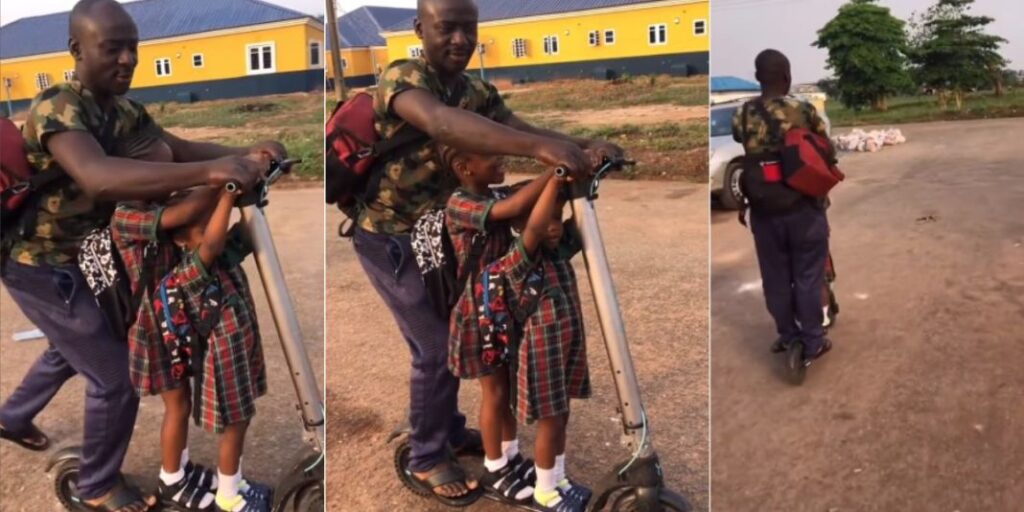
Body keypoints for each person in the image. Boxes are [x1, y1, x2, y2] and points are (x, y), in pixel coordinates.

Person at [0, 1, 283, 510]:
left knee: (76, 344)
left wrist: (247, 153)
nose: (128, 59)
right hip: (41, 264)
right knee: (113, 378)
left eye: (133, 48)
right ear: (76, 50)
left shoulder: (125, 109)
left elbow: (177, 148)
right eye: (113, 49)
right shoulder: (58, 106)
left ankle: (11, 417)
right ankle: (96, 486)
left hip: (89, 257)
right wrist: (213, 173)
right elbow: (99, 177)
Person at [351, 0, 621, 503]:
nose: (458, 40)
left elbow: (520, 127)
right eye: (445, 28)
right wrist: (542, 155)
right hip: (393, 237)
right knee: (434, 349)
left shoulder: (474, 88)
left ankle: (450, 430)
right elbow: (443, 124)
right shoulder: (404, 78)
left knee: (454, 336)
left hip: (446, 234)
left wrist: (581, 144)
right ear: (419, 29)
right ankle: (427, 455)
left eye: (467, 30)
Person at [439, 144, 558, 505]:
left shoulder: (493, 190)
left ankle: (510, 456)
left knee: (504, 388)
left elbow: (524, 195)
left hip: (500, 307)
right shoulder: (459, 204)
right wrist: (556, 170)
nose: (502, 160)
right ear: (465, 167)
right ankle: (494, 468)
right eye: (491, 156)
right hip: (478, 313)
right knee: (494, 393)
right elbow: (517, 207)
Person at [146, 184, 270, 512]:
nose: (215, 230)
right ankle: (229, 496)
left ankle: (236, 482)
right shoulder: (191, 271)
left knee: (242, 422)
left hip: (240, 351)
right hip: (223, 361)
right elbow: (213, 242)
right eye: (205, 226)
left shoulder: (222, 256)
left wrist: (255, 189)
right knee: (235, 426)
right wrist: (226, 195)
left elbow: (244, 229)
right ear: (182, 241)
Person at [478, 173, 592, 511]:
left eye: (557, 218)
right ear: (521, 225)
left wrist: (582, 177)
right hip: (542, 354)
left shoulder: (559, 252)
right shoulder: (520, 258)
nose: (554, 227)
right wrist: (553, 181)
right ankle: (544, 492)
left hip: (566, 347)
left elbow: (578, 215)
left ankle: (557, 477)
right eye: (548, 220)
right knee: (551, 421)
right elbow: (534, 228)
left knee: (563, 416)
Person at [731, 49, 833, 363]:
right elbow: (824, 145)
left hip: (763, 208)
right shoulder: (804, 110)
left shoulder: (743, 114)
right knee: (807, 274)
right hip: (803, 205)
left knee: (775, 276)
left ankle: (787, 335)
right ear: (787, 76)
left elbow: (739, 138)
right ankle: (814, 340)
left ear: (758, 77)